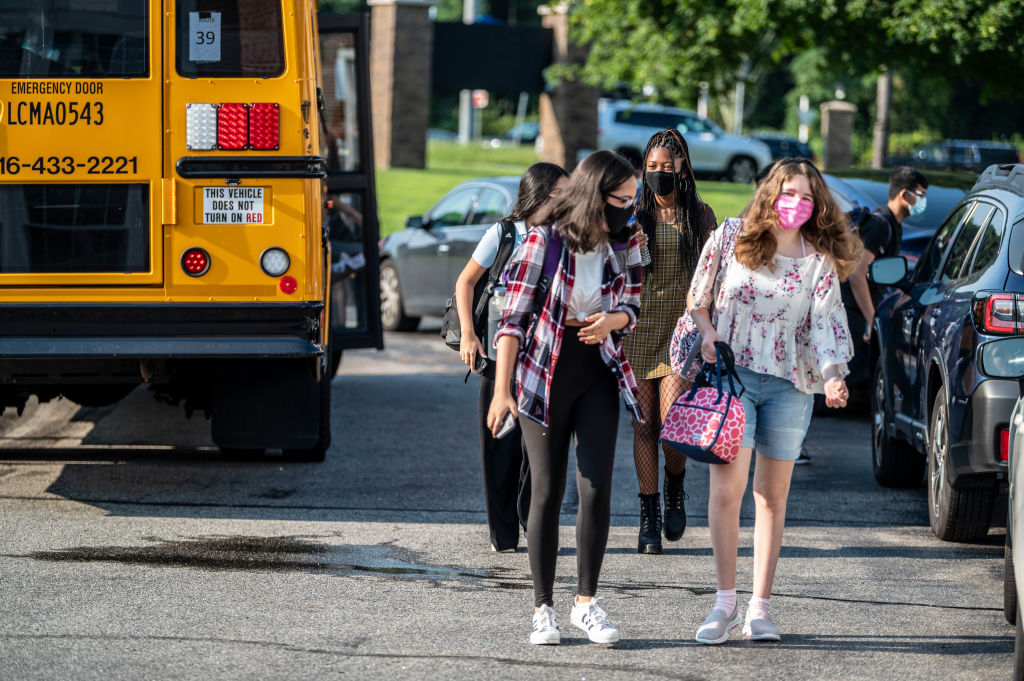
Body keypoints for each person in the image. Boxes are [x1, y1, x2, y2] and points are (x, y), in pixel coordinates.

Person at [686, 158, 861, 643]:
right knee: (726, 492)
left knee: (771, 497)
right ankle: (723, 604)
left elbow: (826, 325)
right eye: (789, 193)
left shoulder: (816, 260)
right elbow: (698, 298)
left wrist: (832, 378)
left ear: (817, 205)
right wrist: (707, 333)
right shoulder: (730, 237)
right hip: (732, 377)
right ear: (770, 193)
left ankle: (759, 609)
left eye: (807, 197)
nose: (797, 204)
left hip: (789, 384)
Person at [487, 150, 643, 646]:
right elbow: (510, 322)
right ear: (596, 196)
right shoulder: (542, 240)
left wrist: (615, 320)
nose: (630, 208)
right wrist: (501, 392)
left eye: (633, 199)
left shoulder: (627, 242)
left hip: (599, 368)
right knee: (547, 490)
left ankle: (586, 603)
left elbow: (633, 304)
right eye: (622, 199)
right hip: (545, 372)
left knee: (596, 486)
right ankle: (543, 608)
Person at [454, 162, 569, 553]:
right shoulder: (504, 233)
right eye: (562, 193)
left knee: (536, 449)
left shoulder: (565, 237)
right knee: (500, 445)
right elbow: (466, 281)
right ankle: (503, 534)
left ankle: (529, 518)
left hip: (545, 359)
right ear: (543, 194)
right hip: (499, 354)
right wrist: (469, 334)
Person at [623, 129, 717, 554]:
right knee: (644, 423)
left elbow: (713, 277)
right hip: (639, 333)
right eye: (652, 167)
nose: (659, 174)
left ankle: (674, 485)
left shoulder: (699, 215)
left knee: (671, 424)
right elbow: (612, 272)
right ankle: (649, 515)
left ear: (683, 168)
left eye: (667, 167)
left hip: (680, 333)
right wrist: (629, 248)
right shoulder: (631, 214)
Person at [842, 166, 929, 371]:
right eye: (921, 195)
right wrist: (871, 321)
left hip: (857, 314)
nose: (923, 201)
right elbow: (857, 274)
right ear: (904, 194)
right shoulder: (880, 224)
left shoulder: (894, 225)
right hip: (850, 315)